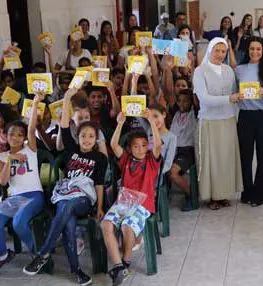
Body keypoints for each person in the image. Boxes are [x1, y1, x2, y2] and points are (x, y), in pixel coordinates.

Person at [23, 87, 107, 285]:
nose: (86, 139)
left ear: (96, 140)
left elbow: (100, 184)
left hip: (84, 198)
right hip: (66, 192)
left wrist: (100, 206)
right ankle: (76, 271)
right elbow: (64, 125)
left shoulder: (99, 158)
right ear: (78, 137)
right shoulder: (71, 148)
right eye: (83, 135)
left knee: (68, 206)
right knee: (67, 219)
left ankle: (42, 254)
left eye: (91, 136)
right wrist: (68, 97)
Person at [103, 110, 161, 286]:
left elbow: (157, 145)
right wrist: (120, 123)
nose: (141, 149)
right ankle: (119, 266)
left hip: (143, 204)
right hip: (124, 202)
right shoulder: (126, 159)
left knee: (128, 225)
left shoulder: (151, 161)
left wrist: (151, 121)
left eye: (144, 145)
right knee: (106, 224)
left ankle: (126, 261)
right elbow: (113, 145)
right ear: (129, 148)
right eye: (136, 146)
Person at [193, 37, 243, 210]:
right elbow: (204, 99)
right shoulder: (200, 71)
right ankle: (211, 196)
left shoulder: (229, 70)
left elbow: (235, 92)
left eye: (224, 51)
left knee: (225, 158)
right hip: (209, 121)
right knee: (211, 160)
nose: (220, 55)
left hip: (228, 120)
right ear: (210, 51)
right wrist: (230, 98)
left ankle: (224, 194)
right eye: (217, 51)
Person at [0, 96, 44, 269]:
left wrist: (35, 103)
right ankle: (4, 254)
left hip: (34, 195)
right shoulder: (3, 157)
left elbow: (32, 128)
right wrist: (10, 159)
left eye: (20, 135)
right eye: (12, 134)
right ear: (5, 135)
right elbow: (3, 182)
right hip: (13, 198)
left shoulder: (30, 149)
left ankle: (39, 253)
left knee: (19, 222)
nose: (16, 138)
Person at [235, 37, 263, 206]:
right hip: (245, 116)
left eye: (258, 49)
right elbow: (233, 94)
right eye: (252, 49)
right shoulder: (238, 70)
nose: (255, 52)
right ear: (247, 50)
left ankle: (260, 195)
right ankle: (247, 192)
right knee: (245, 157)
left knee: (262, 157)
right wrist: (238, 97)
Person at [169, 89, 197, 209]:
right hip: (173, 150)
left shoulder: (194, 114)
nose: (182, 104)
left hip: (187, 150)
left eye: (186, 101)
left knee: (173, 173)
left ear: (191, 102)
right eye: (180, 101)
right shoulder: (176, 114)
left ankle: (191, 195)